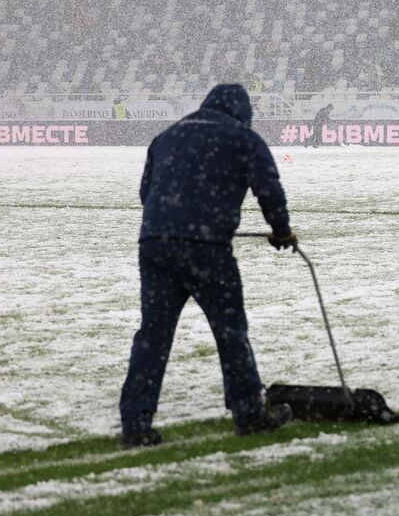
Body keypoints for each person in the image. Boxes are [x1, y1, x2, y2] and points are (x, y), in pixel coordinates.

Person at [119, 84, 298, 448]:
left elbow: (146, 194)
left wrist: (177, 216)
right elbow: (270, 189)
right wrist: (281, 231)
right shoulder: (244, 138)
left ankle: (136, 424)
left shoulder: (167, 136)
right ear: (242, 113)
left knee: (152, 337)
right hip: (207, 250)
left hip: (155, 245)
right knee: (230, 330)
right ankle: (248, 412)